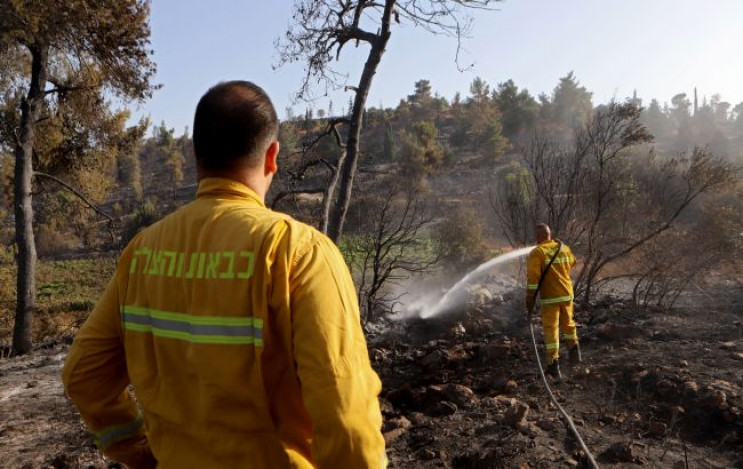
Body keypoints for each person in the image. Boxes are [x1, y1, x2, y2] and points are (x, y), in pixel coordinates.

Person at [63, 81, 387, 468]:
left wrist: (140, 451)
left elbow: (84, 377)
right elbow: (347, 418)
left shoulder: (141, 252)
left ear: (195, 155)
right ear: (272, 156)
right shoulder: (297, 253)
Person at [525, 223, 581, 379]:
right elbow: (573, 262)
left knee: (551, 330)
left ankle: (553, 365)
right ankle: (575, 355)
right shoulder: (564, 248)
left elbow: (532, 280)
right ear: (550, 234)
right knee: (568, 323)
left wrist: (529, 300)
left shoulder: (537, 253)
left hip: (551, 298)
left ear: (538, 236)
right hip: (567, 294)